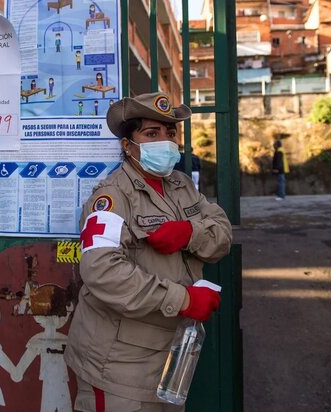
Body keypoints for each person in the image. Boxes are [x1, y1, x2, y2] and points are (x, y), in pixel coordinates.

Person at [64, 92, 232, 411]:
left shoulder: (182, 185)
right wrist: (182, 299)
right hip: (117, 364)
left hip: (171, 359)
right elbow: (102, 271)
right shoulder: (112, 197)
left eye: (171, 133)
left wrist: (190, 233)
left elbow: (221, 234)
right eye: (152, 134)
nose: (165, 142)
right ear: (128, 146)